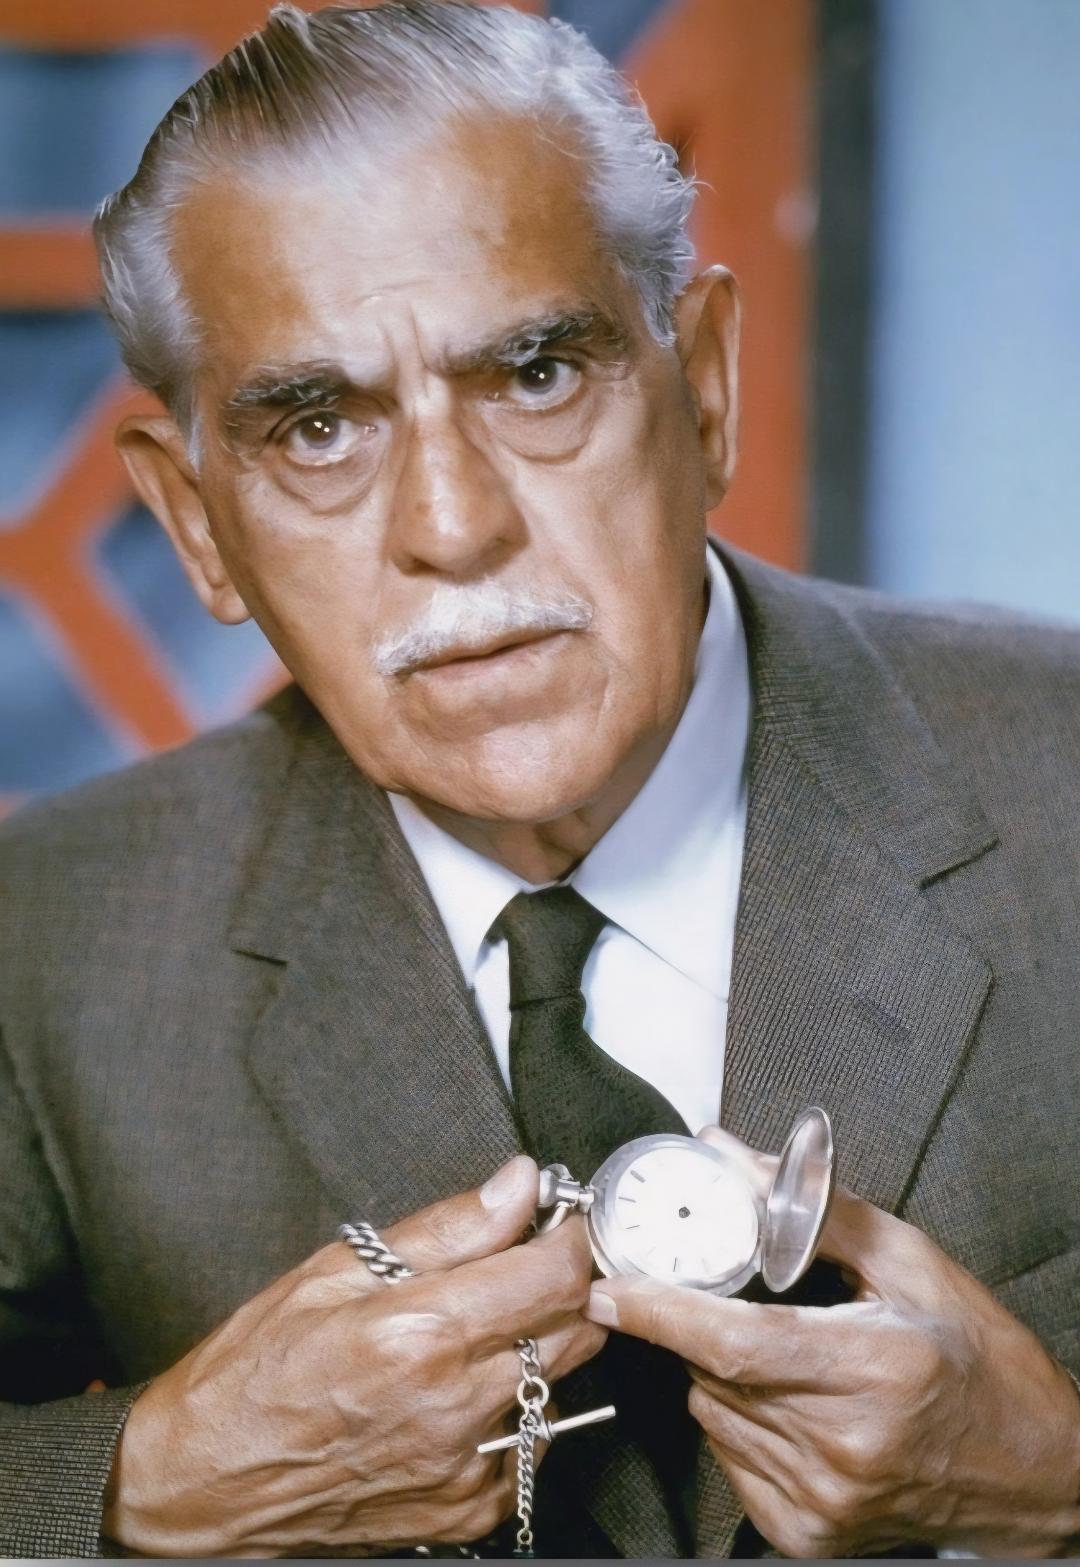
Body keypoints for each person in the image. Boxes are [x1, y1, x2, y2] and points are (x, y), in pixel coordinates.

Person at [1, 2, 1078, 1558]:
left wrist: (1059, 1477)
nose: (452, 525)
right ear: (195, 530)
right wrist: (143, 1483)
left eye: (535, 374)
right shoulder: (48, 934)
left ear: (703, 387)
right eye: (318, 427)